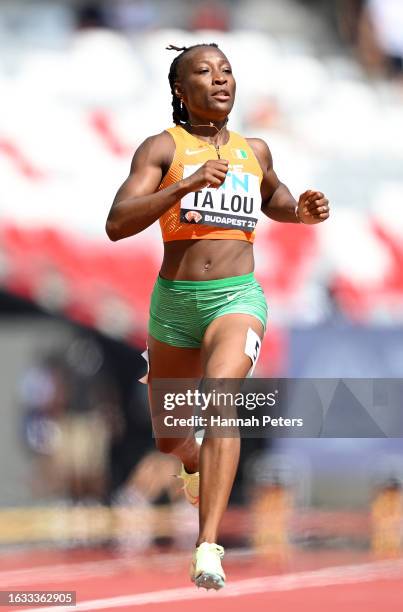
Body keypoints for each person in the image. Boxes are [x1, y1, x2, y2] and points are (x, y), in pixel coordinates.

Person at [106, 43, 330, 590]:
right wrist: (182, 185)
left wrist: (297, 212)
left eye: (226, 70)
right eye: (203, 72)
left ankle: (207, 545)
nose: (220, 80)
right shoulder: (162, 149)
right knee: (171, 439)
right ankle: (192, 466)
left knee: (221, 394)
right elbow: (116, 222)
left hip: (236, 297)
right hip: (174, 304)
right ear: (181, 91)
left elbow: (272, 195)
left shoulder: (255, 150)